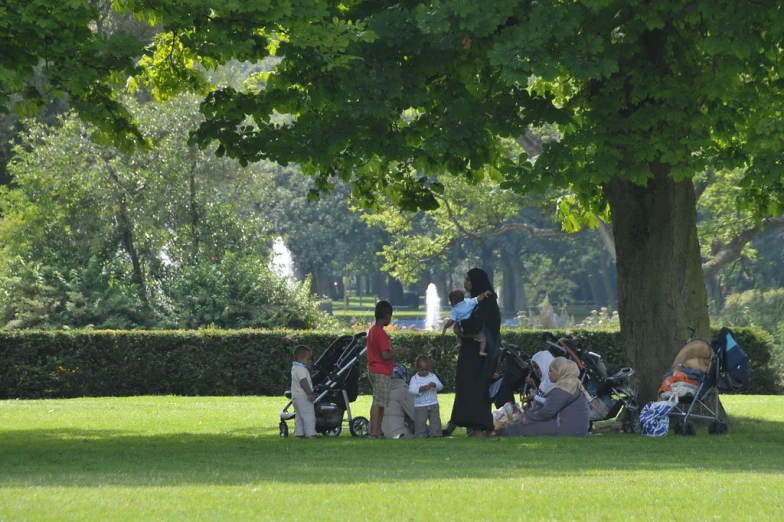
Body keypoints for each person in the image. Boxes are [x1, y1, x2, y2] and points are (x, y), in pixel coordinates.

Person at [446, 268, 502, 437]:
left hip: (478, 356)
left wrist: (458, 327)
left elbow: (474, 324)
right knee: (470, 389)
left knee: (475, 389)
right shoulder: (478, 301)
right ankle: (475, 427)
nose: (465, 283)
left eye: (468, 280)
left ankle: (480, 427)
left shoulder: (486, 301)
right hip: (473, 352)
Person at [495, 357, 591, 437]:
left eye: (551, 371)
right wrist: (529, 413)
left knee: (520, 428)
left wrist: (528, 418)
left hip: (567, 429)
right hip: (573, 428)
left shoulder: (565, 387)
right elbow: (548, 406)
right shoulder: (569, 383)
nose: (548, 373)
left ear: (559, 371)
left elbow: (548, 411)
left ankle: (494, 433)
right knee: (523, 425)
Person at [367, 300, 408, 439]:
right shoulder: (380, 333)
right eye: (390, 316)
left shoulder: (372, 330)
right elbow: (385, 355)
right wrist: (398, 351)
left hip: (375, 369)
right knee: (379, 402)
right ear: (386, 316)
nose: (390, 319)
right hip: (381, 371)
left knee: (380, 401)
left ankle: (378, 430)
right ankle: (374, 431)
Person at [441, 289, 494, 356]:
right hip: (472, 330)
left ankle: (459, 343)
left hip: (462, 331)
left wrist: (445, 327)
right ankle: (481, 351)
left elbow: (451, 320)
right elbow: (479, 298)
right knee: (483, 339)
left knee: (456, 327)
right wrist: (485, 293)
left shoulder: (454, 309)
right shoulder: (469, 302)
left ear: (453, 300)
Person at [408, 355, 444, 438]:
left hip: (433, 403)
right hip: (420, 405)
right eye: (422, 370)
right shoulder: (414, 379)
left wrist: (434, 385)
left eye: (427, 370)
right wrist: (420, 389)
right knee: (420, 422)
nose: (424, 372)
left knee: (435, 421)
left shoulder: (432, 376)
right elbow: (411, 390)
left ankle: (436, 434)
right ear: (417, 369)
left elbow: (440, 386)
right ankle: (420, 436)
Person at [381, 363, 416, 439]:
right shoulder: (403, 389)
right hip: (397, 433)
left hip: (379, 432)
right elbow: (415, 415)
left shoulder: (380, 389)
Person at [290, 345, 317, 439]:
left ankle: (299, 434)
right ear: (300, 358)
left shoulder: (295, 368)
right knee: (308, 416)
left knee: (299, 417)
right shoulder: (302, 370)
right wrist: (310, 393)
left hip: (296, 397)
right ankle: (311, 434)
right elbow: (303, 382)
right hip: (303, 396)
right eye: (308, 359)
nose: (310, 361)